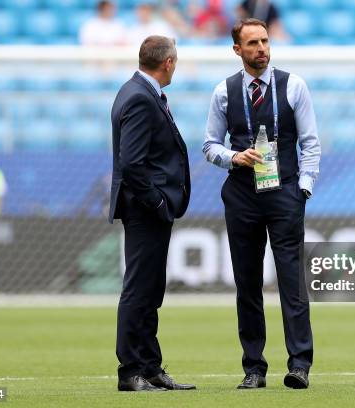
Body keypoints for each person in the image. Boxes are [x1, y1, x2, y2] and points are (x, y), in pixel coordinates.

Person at [202, 18, 320, 390]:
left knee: (291, 283)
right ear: (237, 49)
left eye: (265, 41)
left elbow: (311, 143)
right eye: (252, 43)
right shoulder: (224, 91)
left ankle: (299, 364)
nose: (262, 49)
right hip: (241, 195)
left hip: (284, 193)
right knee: (247, 284)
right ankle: (254, 368)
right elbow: (209, 145)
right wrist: (234, 157)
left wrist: (302, 188)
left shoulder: (294, 85)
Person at [109, 35, 193, 392]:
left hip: (147, 208)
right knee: (139, 288)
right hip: (145, 210)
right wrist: (158, 202)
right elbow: (132, 163)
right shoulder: (141, 98)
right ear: (168, 63)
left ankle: (150, 365)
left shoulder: (135, 91)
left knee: (150, 288)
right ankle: (130, 371)